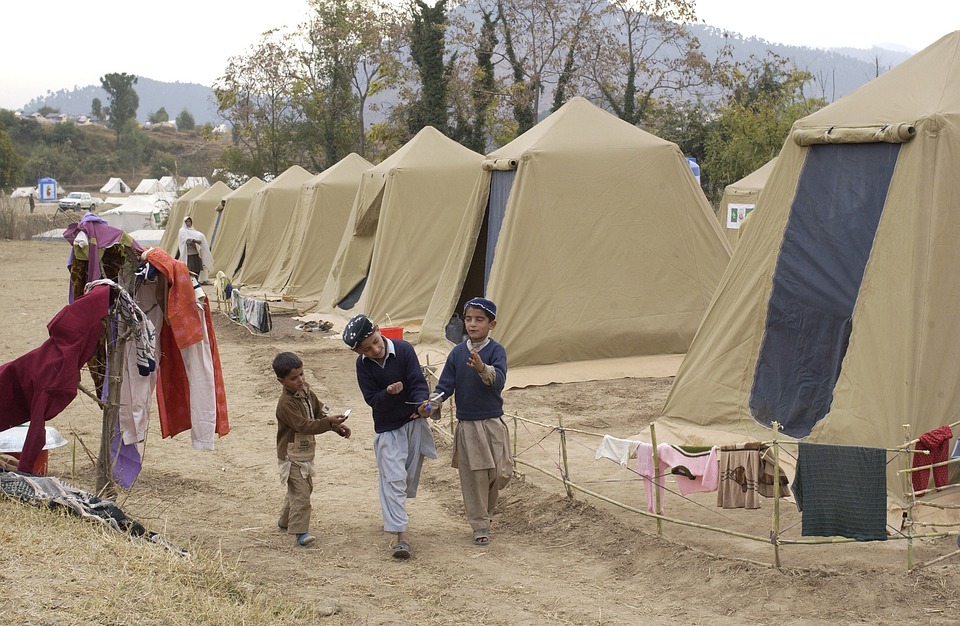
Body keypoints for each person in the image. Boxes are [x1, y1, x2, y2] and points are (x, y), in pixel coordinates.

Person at [342, 314, 436, 559]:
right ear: (357, 352)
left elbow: (417, 381)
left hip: (413, 423)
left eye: (375, 341)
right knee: (393, 478)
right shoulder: (363, 366)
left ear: (378, 330)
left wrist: (422, 404)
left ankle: (395, 514)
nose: (375, 349)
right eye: (366, 349)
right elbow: (373, 401)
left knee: (405, 478)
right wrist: (388, 392)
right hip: (388, 429)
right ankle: (401, 536)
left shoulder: (404, 350)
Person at [428, 297, 512, 546]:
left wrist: (481, 367)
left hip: (493, 423)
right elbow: (445, 386)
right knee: (475, 477)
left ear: (491, 324)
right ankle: (479, 524)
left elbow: (498, 381)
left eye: (479, 320)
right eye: (468, 319)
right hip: (469, 426)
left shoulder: (496, 351)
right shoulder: (456, 353)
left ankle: (486, 513)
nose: (473, 324)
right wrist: (433, 402)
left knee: (500, 472)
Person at [273, 351, 351, 547]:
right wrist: (328, 424)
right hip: (291, 455)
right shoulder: (286, 404)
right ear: (281, 381)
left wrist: (337, 426)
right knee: (301, 493)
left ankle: (284, 521)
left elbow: (320, 411)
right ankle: (300, 532)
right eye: (293, 378)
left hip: (305, 452)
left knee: (302, 489)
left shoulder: (307, 392)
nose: (300, 380)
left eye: (301, 374)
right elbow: (304, 425)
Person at [177, 216, 214, 283]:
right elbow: (186, 240)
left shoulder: (193, 231)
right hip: (188, 254)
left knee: (197, 268)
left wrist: (198, 243)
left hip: (196, 253)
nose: (188, 223)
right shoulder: (182, 231)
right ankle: (190, 283)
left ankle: (196, 282)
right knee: (191, 269)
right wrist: (195, 241)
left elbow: (200, 238)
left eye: (190, 221)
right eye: (187, 222)